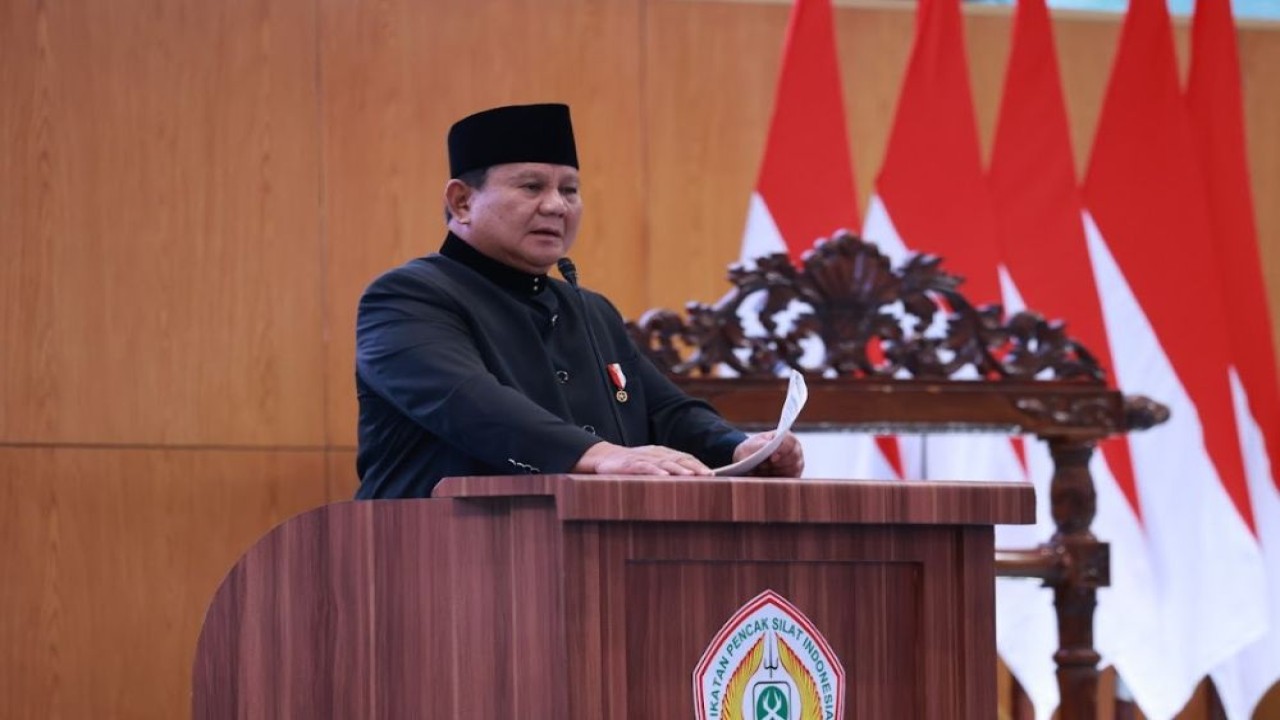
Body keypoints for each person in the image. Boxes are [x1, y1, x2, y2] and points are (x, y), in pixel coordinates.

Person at [354, 103, 803, 498]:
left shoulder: (590, 311)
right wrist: (598, 455)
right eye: (532, 187)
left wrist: (737, 447)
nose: (557, 206)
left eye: (569, 190)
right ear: (462, 201)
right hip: (432, 557)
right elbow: (469, 403)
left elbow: (666, 410)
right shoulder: (406, 299)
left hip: (582, 549)